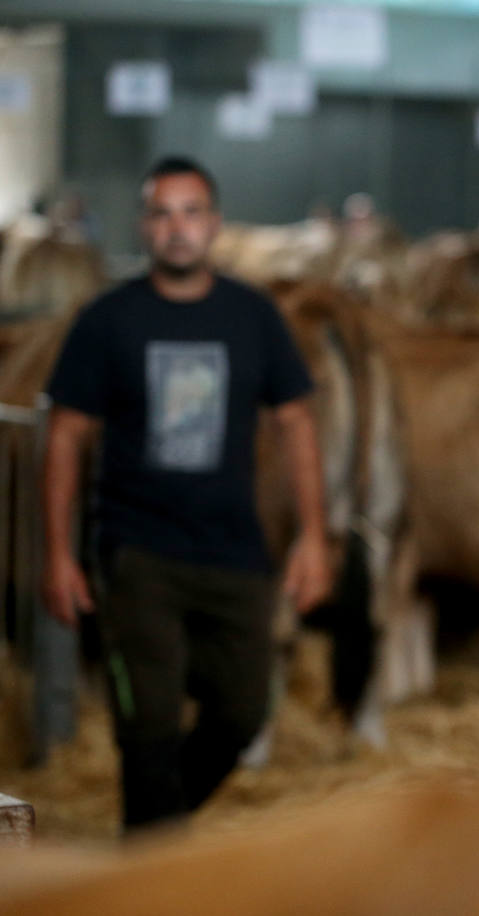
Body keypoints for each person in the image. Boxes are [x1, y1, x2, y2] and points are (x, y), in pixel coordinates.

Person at [41, 156, 332, 832]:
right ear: (145, 227)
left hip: (234, 552)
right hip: (137, 553)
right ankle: (152, 873)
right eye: (163, 213)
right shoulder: (107, 320)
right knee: (146, 726)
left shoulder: (253, 316)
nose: (178, 228)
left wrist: (314, 537)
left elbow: (296, 421)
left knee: (241, 714)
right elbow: (65, 436)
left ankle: (156, 837)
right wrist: (60, 554)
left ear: (215, 225)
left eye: (191, 212)